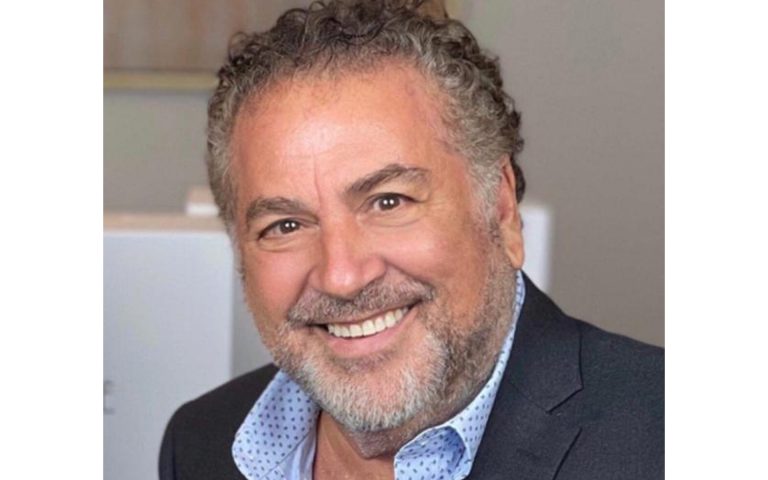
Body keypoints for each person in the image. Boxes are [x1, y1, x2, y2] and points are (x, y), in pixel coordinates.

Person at [159, 1, 663, 479]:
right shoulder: (202, 443)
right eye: (285, 226)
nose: (341, 276)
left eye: (388, 201)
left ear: (501, 208)